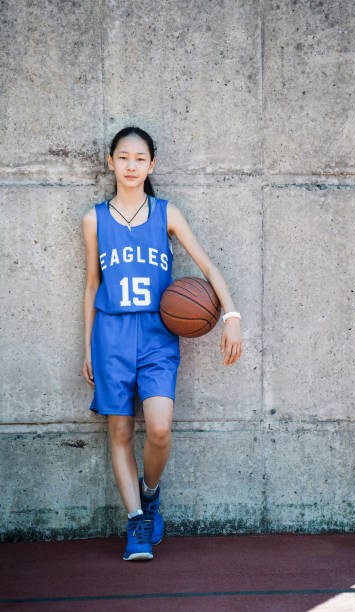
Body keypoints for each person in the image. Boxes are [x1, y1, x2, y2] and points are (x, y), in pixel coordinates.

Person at [82, 126, 242, 561]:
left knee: (158, 428)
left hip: (158, 336)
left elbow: (206, 265)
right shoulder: (94, 219)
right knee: (119, 430)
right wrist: (86, 347)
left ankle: (149, 494)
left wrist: (231, 317)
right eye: (123, 157)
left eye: (140, 159)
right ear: (110, 161)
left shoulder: (166, 214)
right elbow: (92, 285)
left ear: (151, 165)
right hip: (111, 335)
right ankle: (136, 523)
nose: (131, 165)